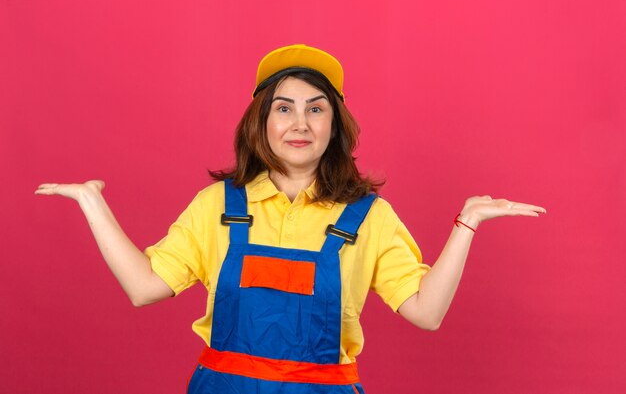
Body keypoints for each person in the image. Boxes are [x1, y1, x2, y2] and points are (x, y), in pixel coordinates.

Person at [35, 44, 546, 394]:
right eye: (284, 108)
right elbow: (145, 287)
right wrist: (91, 203)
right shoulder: (218, 205)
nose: (299, 123)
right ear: (262, 121)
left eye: (316, 109)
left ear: (335, 125)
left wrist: (468, 222)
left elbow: (426, 313)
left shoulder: (368, 217)